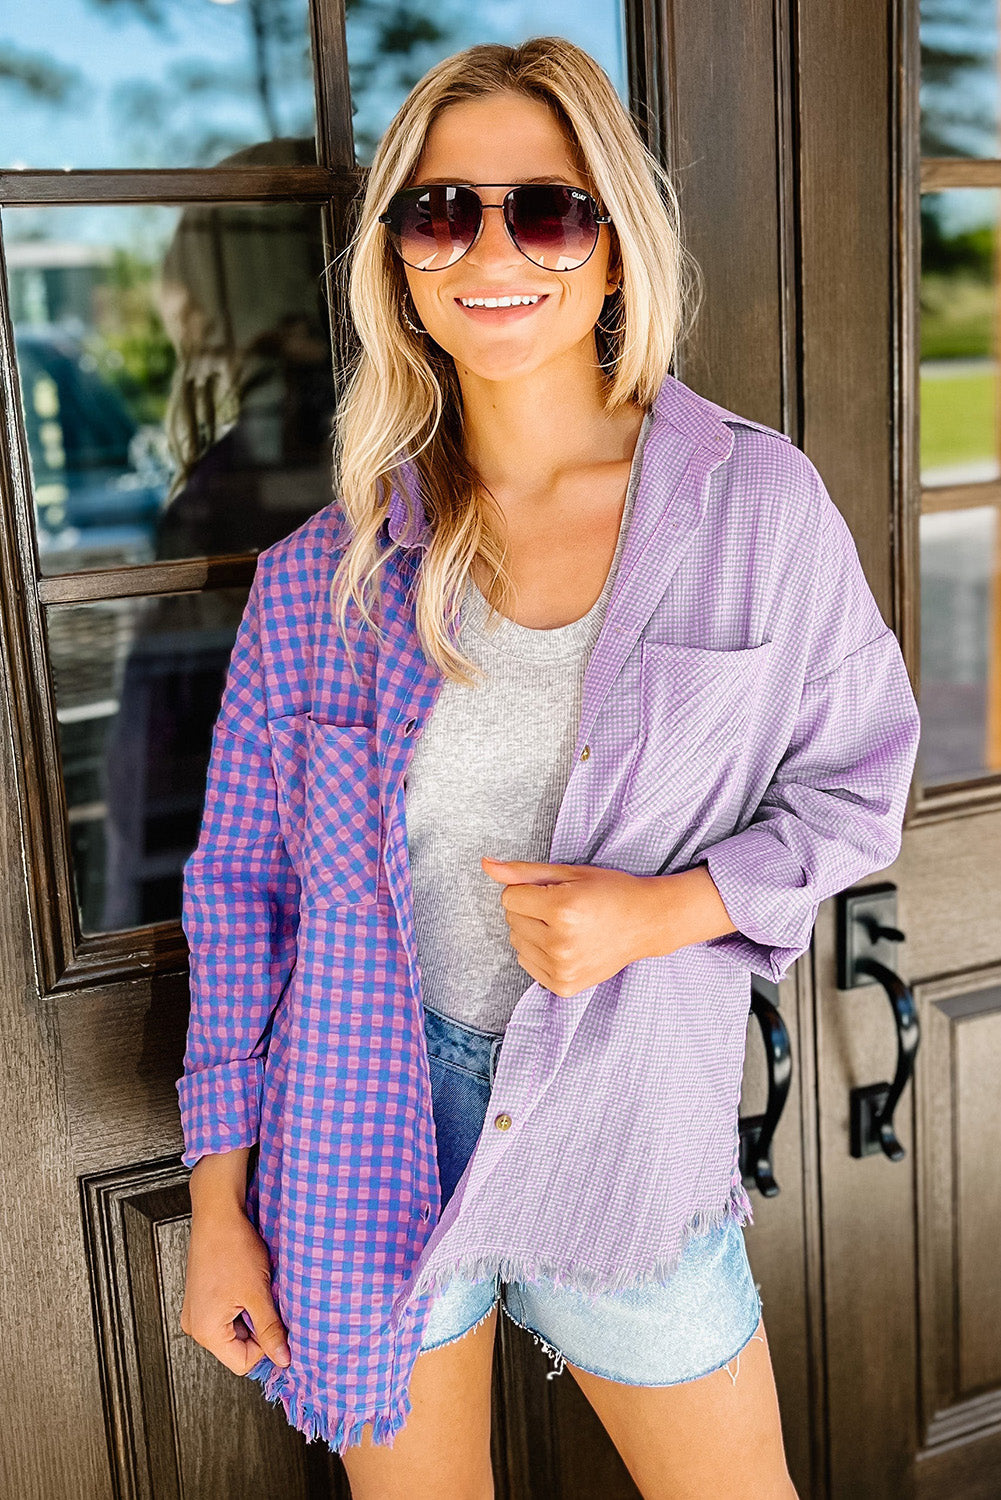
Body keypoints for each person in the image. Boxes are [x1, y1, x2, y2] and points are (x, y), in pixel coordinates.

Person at [176, 37, 920, 1500]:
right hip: (356, 1127)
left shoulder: (749, 507)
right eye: (442, 212)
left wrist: (665, 909)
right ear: (396, 261)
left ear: (614, 246)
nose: (492, 249)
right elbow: (237, 904)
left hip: (621, 1118)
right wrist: (219, 1208)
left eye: (548, 208)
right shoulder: (324, 574)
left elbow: (859, 781)